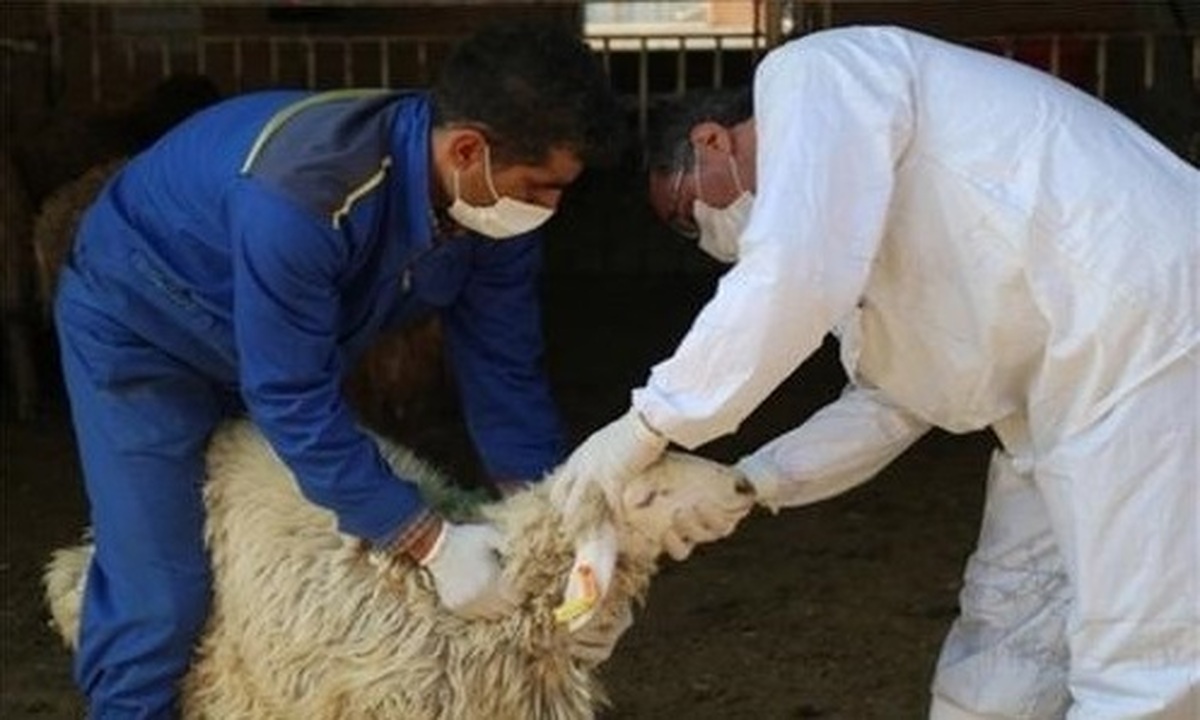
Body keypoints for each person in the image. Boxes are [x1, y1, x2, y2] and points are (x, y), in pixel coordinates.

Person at [555, 25, 1199, 719]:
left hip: (1148, 329)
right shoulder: (847, 245)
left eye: (688, 215)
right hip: (1063, 387)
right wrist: (747, 483)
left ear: (713, 140)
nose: (708, 237)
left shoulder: (811, 76)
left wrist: (647, 425)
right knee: (1005, 630)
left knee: (1141, 657)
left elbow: (788, 275)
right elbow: (889, 403)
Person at [55, 21, 625, 717]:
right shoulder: (309, 190)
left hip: (274, 340)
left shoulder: (489, 211)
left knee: (272, 580)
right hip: (145, 328)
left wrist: (555, 535)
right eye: (541, 186)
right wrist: (429, 541)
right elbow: (290, 397)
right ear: (469, 148)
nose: (549, 207)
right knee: (163, 591)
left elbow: (504, 371)